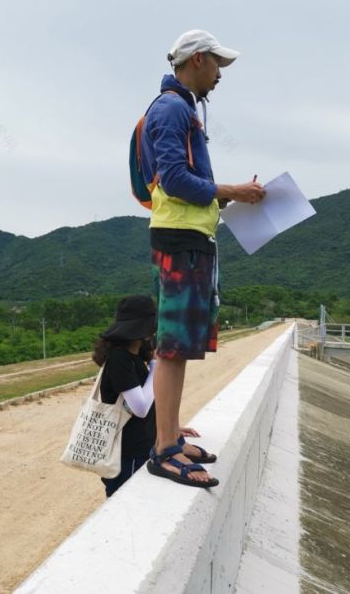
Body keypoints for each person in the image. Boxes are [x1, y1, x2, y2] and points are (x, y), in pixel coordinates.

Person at [137, 29, 266, 488]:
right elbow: (173, 179)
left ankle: (170, 437)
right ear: (197, 60)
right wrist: (232, 190)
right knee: (173, 346)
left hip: (189, 236)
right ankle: (163, 450)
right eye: (217, 66)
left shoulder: (180, 108)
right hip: (179, 240)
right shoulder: (172, 108)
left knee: (181, 345)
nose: (219, 76)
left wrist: (226, 200)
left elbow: (185, 184)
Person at [93, 295, 157, 497]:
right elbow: (140, 407)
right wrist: (157, 368)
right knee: (126, 502)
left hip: (136, 448)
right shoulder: (120, 358)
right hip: (126, 452)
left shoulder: (133, 357)